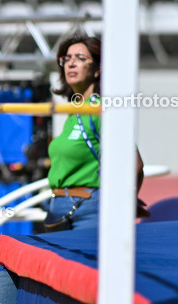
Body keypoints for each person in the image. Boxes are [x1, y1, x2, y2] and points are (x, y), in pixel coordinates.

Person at [44, 35, 148, 232]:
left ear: (98, 69)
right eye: (66, 58)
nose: (71, 63)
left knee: (86, 264)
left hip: (89, 207)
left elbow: (136, 164)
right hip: (59, 207)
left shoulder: (101, 110)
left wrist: (126, 202)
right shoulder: (75, 112)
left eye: (80, 58)